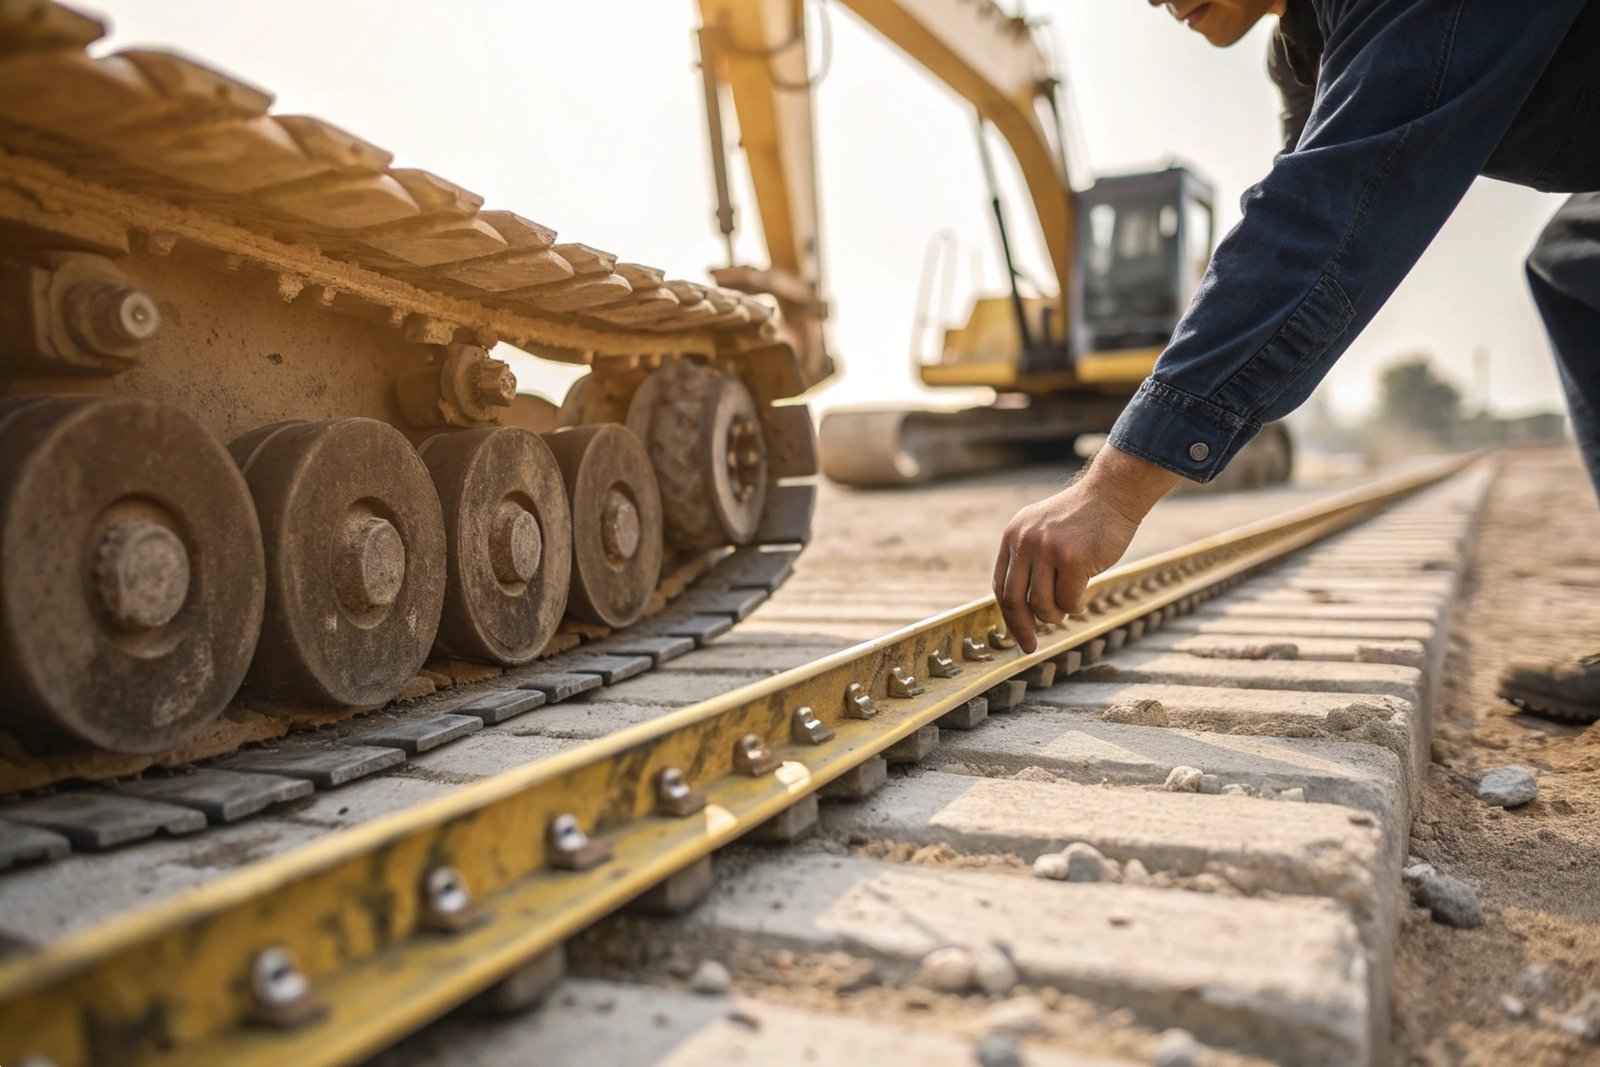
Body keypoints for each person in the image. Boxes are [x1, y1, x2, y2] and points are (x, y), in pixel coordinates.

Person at [991, 0, 1600, 721]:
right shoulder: (1303, 49)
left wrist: (1115, 488)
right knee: (1575, 271)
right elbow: (1290, 232)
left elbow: (1325, 224)